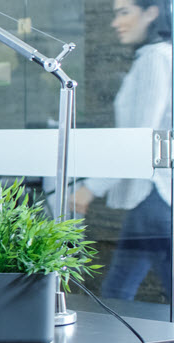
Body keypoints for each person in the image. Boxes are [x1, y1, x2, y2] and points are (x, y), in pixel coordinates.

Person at [73, 0, 172, 301]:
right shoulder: (155, 57)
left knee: (119, 292)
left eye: (124, 12)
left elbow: (141, 138)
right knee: (119, 292)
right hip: (153, 197)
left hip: (153, 196)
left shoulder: (156, 58)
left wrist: (90, 188)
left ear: (151, 12)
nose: (115, 22)